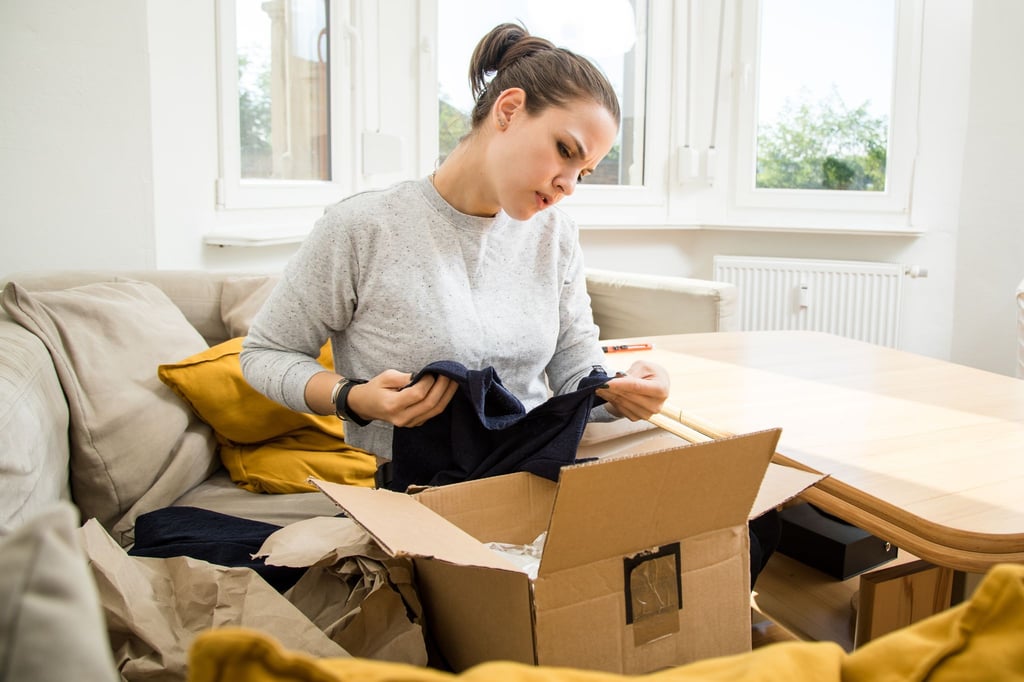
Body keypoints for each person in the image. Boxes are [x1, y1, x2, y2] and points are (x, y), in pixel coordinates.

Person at [240, 21, 671, 480]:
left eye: (582, 173)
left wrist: (622, 394)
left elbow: (575, 367)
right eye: (565, 150)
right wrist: (352, 397)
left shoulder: (556, 236)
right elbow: (265, 353)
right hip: (416, 489)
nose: (568, 186)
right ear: (509, 110)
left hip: (533, 474)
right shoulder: (362, 227)